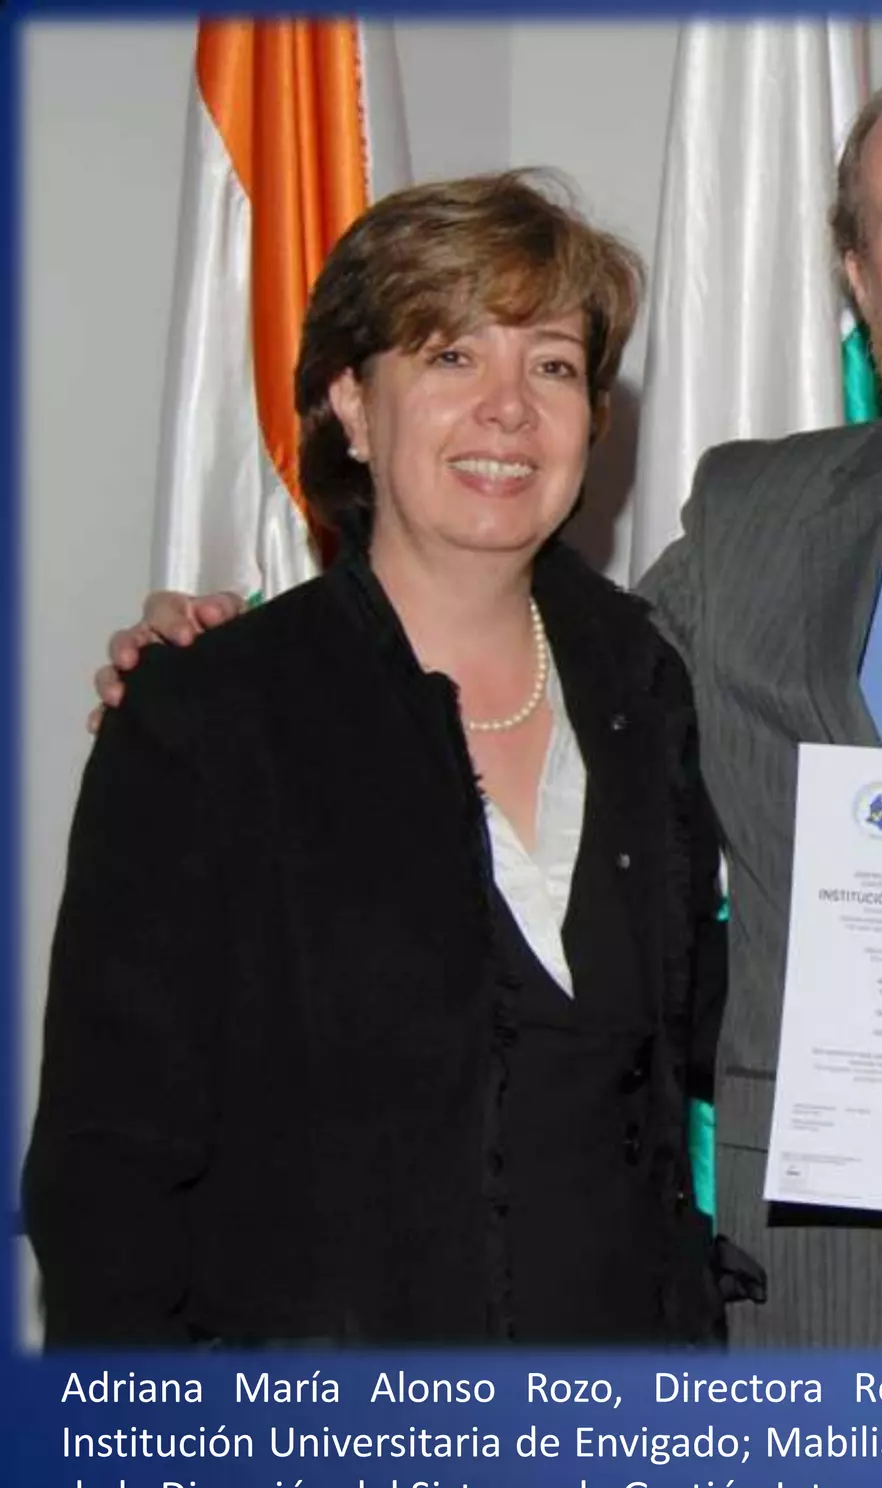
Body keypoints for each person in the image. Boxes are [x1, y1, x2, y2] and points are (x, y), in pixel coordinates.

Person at [96, 64, 882, 1347]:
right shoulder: (749, 524)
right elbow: (515, 661)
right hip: (804, 1327)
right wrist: (242, 654)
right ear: (857, 278)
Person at [33, 171, 726, 1344]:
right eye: (451, 356)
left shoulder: (646, 687)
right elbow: (109, 1174)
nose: (509, 409)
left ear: (593, 421)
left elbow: (698, 1044)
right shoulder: (213, 717)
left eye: (552, 365)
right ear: (351, 403)